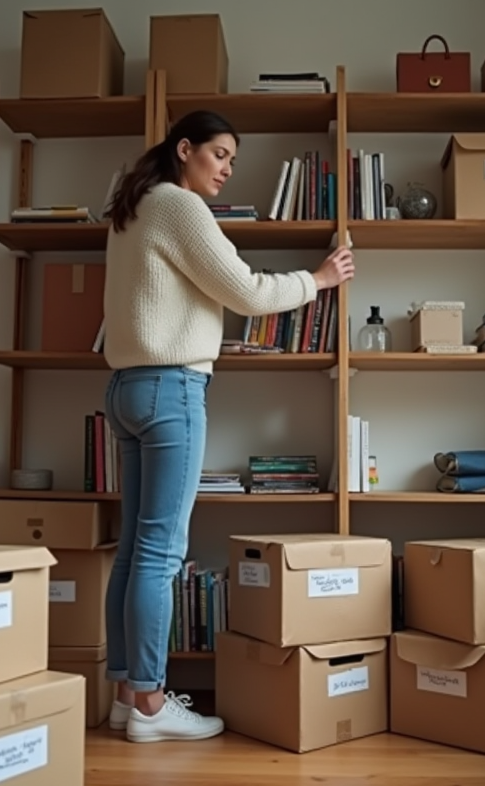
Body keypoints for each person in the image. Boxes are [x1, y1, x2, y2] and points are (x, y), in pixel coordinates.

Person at [99, 109, 355, 743]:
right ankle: (153, 708)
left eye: (232, 161)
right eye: (219, 155)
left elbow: (168, 299)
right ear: (184, 150)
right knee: (160, 555)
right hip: (170, 389)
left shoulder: (132, 207)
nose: (227, 169)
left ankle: (126, 695)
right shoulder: (180, 207)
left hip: (127, 388)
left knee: (133, 552)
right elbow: (245, 290)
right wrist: (318, 279)